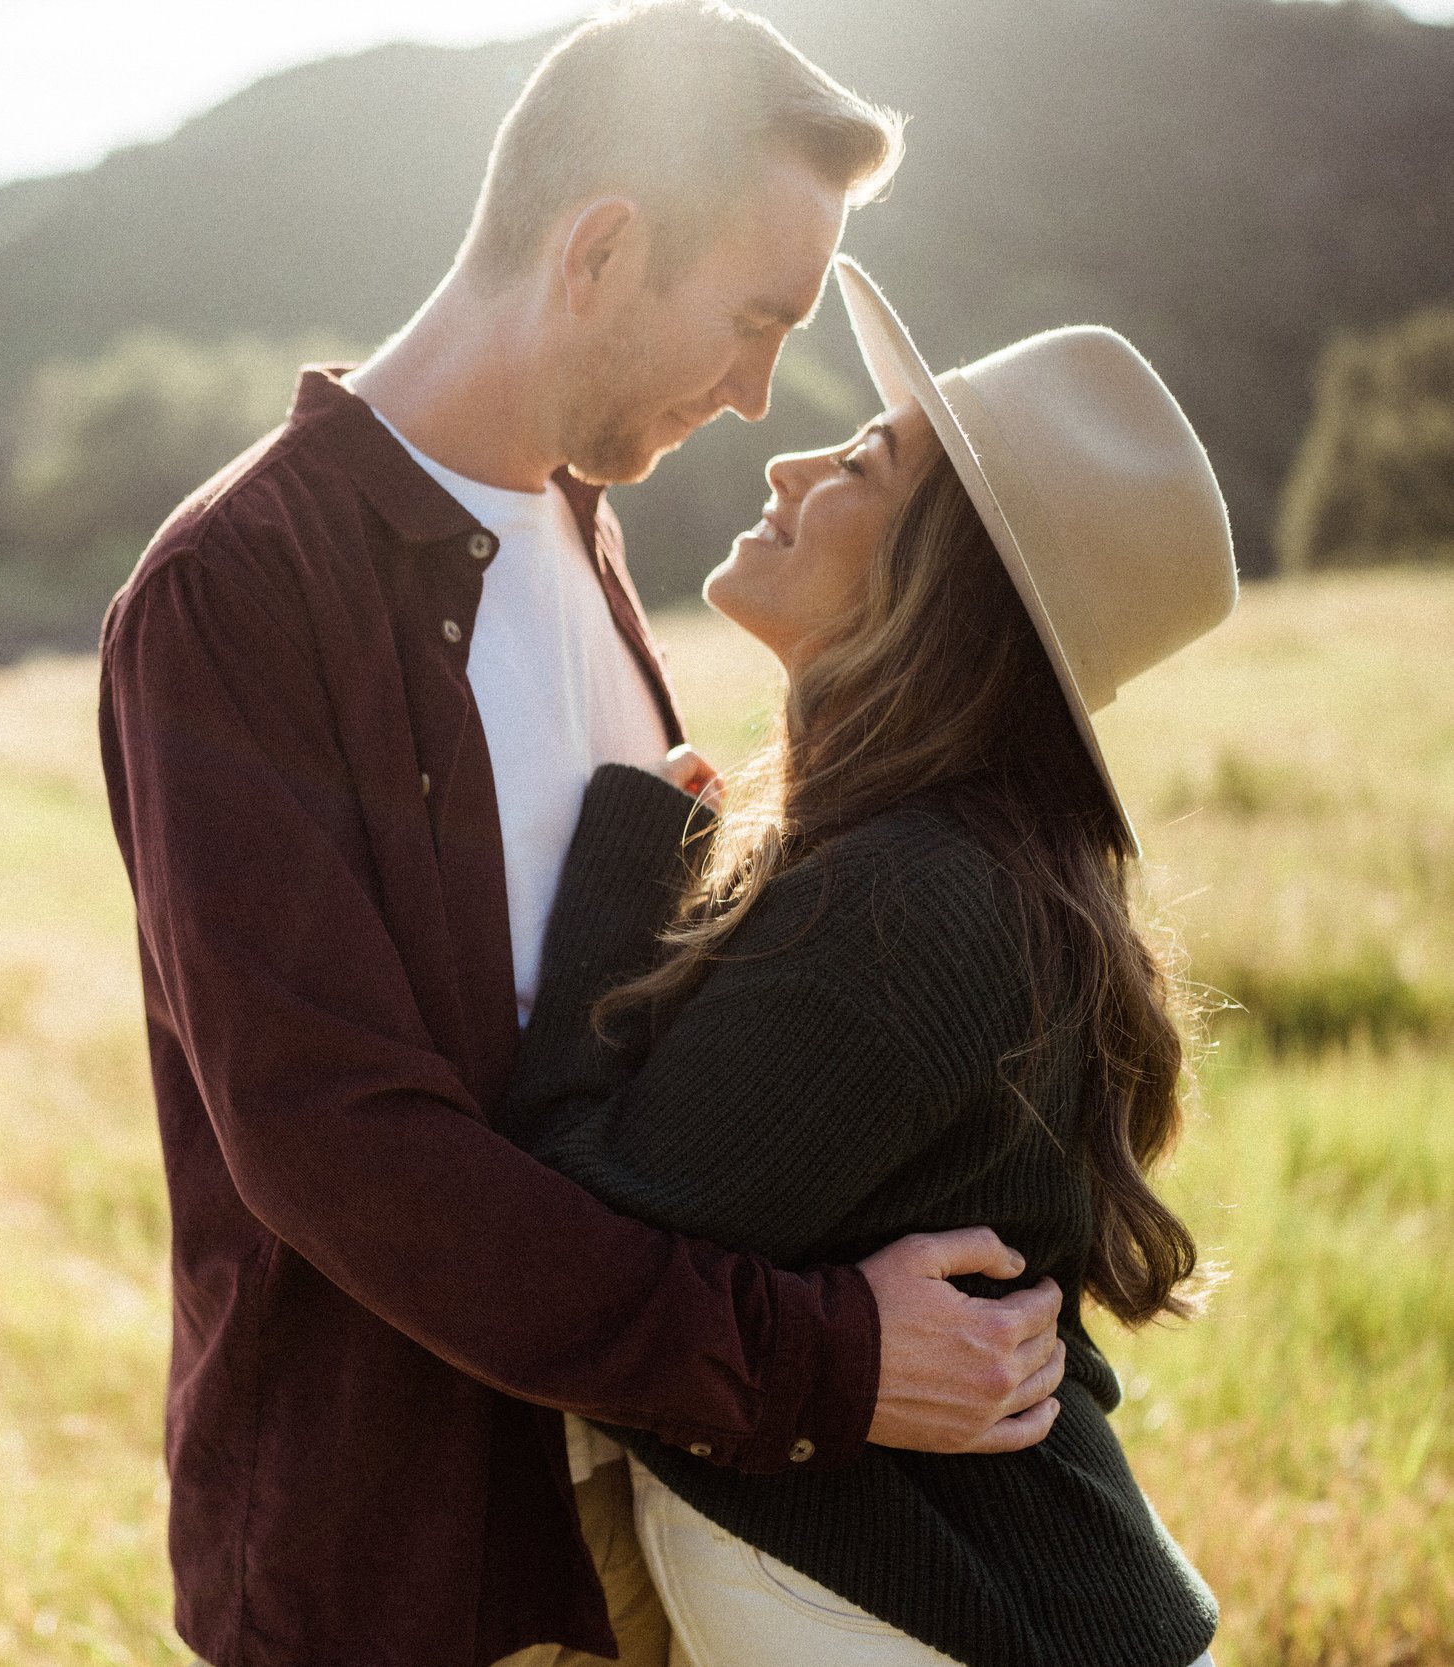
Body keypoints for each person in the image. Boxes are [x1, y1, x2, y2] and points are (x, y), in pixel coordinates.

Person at [98, 6, 1070, 1665]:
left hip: (649, 1521)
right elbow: (344, 1145)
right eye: (754, 322)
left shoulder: (581, 534)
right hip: (407, 1571)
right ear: (603, 249)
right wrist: (822, 1360)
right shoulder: (236, 592)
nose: (764, 396)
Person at [503, 256, 1234, 1667]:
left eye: (860, 461)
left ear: (937, 580)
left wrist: (626, 849)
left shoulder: (914, 904)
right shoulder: (943, 864)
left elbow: (576, 1229)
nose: (786, 461)